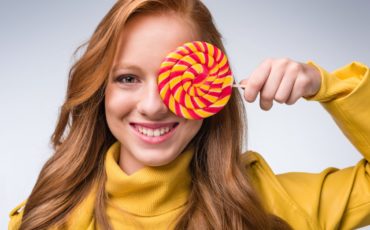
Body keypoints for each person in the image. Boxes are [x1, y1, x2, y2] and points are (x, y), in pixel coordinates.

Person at [8, 0, 370, 229]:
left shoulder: (268, 205)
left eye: (177, 77)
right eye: (128, 78)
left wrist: (325, 85)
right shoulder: (46, 218)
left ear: (213, 88)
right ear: (101, 89)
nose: (153, 106)